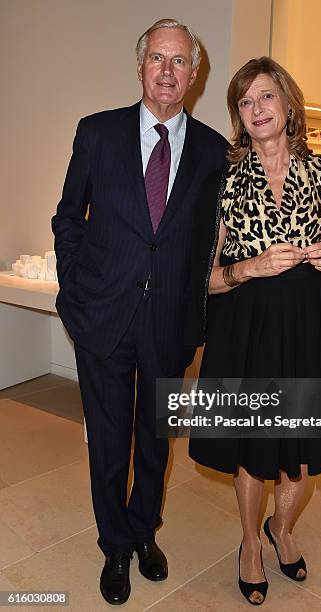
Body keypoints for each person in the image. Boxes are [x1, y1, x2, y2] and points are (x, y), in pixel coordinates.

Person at [52, 19, 227, 606]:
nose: (168, 71)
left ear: (194, 74)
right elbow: (68, 217)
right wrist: (75, 286)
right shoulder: (97, 133)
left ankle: (144, 532)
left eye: (180, 61)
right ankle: (115, 546)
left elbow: (212, 241)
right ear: (140, 65)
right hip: (102, 316)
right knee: (108, 439)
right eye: (158, 58)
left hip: (170, 324)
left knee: (155, 440)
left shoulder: (213, 152)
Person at [187, 57, 321, 605]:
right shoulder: (222, 178)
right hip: (245, 327)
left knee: (306, 445)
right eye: (245, 102)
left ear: (289, 105)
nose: (256, 109)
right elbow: (206, 276)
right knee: (252, 446)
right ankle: (250, 542)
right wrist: (251, 267)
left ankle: (281, 529)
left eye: (266, 96)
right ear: (238, 115)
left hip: (309, 324)